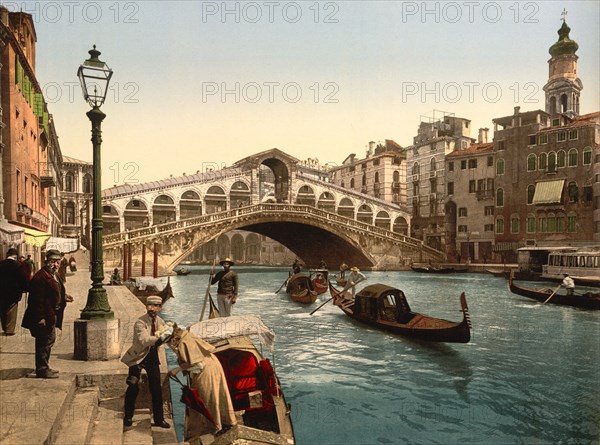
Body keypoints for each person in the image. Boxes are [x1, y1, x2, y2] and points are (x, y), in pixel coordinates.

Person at [167, 326, 237, 438]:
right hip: (213, 364)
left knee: (206, 398)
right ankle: (225, 421)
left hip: (206, 370)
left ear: (173, 339)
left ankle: (213, 427)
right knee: (217, 394)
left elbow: (197, 364)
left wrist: (177, 369)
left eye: (168, 342)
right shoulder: (186, 336)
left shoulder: (184, 343)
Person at [121, 295, 172, 429]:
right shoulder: (140, 322)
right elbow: (144, 340)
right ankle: (128, 416)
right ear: (146, 307)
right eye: (150, 306)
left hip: (152, 356)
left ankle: (159, 419)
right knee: (133, 385)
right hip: (138, 357)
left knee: (156, 388)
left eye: (156, 306)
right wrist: (161, 338)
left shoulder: (160, 321)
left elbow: (168, 337)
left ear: (160, 308)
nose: (152, 309)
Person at [21, 249, 73, 378]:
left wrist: (63, 296)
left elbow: (53, 291)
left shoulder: (53, 274)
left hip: (51, 314)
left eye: (57, 262)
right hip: (44, 316)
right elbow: (36, 300)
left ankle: (45, 365)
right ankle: (42, 369)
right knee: (44, 341)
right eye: (52, 262)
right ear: (47, 262)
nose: (55, 264)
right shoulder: (40, 277)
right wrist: (40, 318)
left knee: (49, 339)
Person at [0, 248, 29, 335]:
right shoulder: (17, 266)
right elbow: (22, 279)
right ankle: (10, 330)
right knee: (12, 311)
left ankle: (4, 327)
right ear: (15, 256)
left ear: (7, 255)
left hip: (1, 292)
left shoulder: (0, 264)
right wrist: (26, 287)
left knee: (3, 309)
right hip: (13, 292)